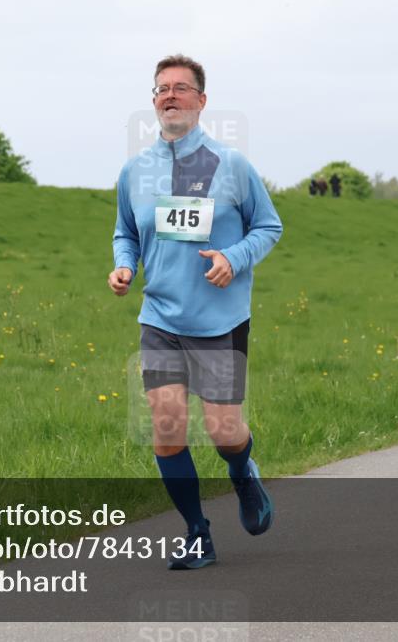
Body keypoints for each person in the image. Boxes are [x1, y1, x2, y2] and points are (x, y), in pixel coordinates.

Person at [108, 55, 283, 570]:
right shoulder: (134, 171)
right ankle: (196, 533)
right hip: (160, 318)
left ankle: (242, 472)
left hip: (219, 322)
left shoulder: (232, 165)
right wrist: (124, 267)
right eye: (161, 89)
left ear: (201, 101)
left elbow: (269, 228)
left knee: (225, 431)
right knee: (166, 425)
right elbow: (125, 233)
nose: (170, 96)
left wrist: (234, 257)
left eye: (181, 88)